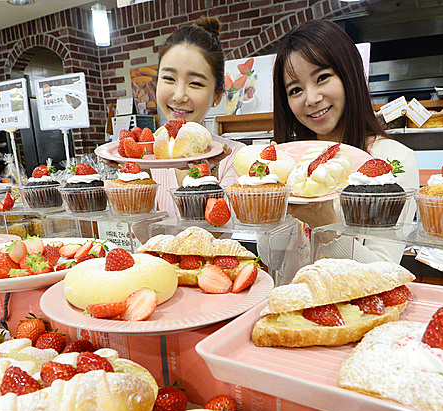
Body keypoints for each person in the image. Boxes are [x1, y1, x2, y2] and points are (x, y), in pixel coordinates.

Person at [272, 20, 419, 264]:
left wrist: (327, 228)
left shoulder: (392, 159)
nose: (311, 98)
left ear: (349, 75)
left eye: (322, 77)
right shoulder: (293, 160)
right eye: (295, 90)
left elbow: (384, 271)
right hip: (293, 290)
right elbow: (275, 260)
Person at [152, 16, 244, 218]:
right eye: (168, 78)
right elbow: (140, 232)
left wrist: (204, 174)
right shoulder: (146, 157)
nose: (179, 96)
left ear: (216, 96)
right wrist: (138, 176)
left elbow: (218, 232)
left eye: (195, 83)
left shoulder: (235, 157)